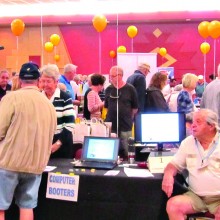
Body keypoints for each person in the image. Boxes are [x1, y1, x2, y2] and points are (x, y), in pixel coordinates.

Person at [0, 62, 57, 220]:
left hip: (9, 162)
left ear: (20, 79)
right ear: (39, 81)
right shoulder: (48, 104)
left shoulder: (11, 98)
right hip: (35, 165)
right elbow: (52, 133)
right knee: (27, 206)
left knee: (0, 207)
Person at [162, 109, 220, 220]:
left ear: (211, 126)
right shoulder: (188, 142)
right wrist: (168, 174)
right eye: (193, 122)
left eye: (198, 122)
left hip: (218, 198)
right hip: (197, 196)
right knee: (173, 206)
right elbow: (174, 164)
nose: (193, 126)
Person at [40, 64, 75, 159]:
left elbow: (70, 124)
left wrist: (58, 143)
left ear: (56, 82)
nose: (45, 84)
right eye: (43, 81)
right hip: (42, 144)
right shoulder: (38, 97)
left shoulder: (65, 98)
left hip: (62, 144)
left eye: (48, 81)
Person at [105, 66, 138, 159]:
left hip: (125, 125)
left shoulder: (130, 89)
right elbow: (107, 107)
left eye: (113, 76)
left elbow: (135, 108)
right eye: (110, 76)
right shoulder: (108, 89)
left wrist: (128, 117)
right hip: (111, 125)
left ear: (120, 75)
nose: (111, 78)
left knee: (128, 151)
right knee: (111, 152)